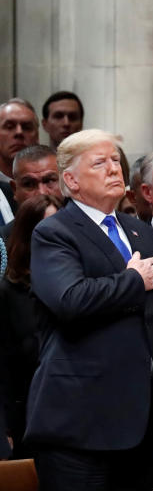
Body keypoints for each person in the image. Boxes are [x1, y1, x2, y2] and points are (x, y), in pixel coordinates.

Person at [26, 129, 153, 490]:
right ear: (71, 180)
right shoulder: (54, 232)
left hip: (141, 422)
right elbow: (69, 299)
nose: (115, 169)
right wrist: (131, 280)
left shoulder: (140, 232)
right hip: (77, 422)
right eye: (100, 163)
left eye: (116, 160)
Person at [0, 194, 62, 458]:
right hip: (30, 421)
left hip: (85, 416)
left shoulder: (85, 283)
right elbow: (3, 371)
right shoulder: (7, 293)